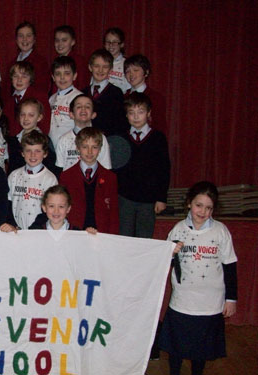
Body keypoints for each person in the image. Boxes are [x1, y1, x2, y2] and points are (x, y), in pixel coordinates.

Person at [159, 181, 237, 375]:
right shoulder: (177, 230)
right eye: (198, 205)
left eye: (209, 208)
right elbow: (162, 264)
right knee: (176, 347)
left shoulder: (221, 231)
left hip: (209, 304)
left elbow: (230, 267)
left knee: (200, 351)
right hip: (182, 302)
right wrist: (170, 252)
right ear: (188, 203)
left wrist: (231, 299)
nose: (203, 212)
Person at [115, 92, 170, 238]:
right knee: (124, 236)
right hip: (125, 198)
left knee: (144, 238)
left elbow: (164, 169)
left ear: (149, 113)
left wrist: (161, 198)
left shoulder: (158, 138)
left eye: (140, 112)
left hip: (148, 199)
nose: (136, 116)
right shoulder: (121, 138)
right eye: (131, 113)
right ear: (126, 115)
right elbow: (115, 169)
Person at [59, 127, 119, 232]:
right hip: (74, 232)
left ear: (100, 149)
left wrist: (113, 236)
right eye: (85, 147)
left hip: (101, 232)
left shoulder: (110, 177)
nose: (90, 152)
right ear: (78, 148)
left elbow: (114, 212)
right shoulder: (66, 176)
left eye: (94, 147)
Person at [2, 131, 58, 230]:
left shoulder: (50, 179)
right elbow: (8, 204)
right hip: (16, 230)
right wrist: (12, 225)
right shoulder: (14, 176)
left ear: (45, 154)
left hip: (39, 231)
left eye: (37, 151)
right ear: (22, 153)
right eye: (28, 151)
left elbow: (50, 210)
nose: (33, 155)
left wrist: (35, 229)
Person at [55, 94, 111, 174]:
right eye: (79, 107)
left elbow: (106, 168)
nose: (83, 109)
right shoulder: (64, 140)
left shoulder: (101, 138)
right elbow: (60, 169)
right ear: (71, 114)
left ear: (93, 115)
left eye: (87, 107)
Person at [83, 49, 128, 136]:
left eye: (105, 67)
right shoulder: (83, 93)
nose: (100, 70)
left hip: (108, 140)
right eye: (96, 66)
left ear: (111, 70)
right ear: (90, 67)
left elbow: (121, 123)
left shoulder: (116, 93)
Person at [7, 98, 54, 174]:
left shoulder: (45, 140)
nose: (26, 118)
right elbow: (12, 166)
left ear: (39, 117)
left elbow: (51, 165)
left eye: (31, 115)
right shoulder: (14, 140)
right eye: (22, 114)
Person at [3, 61, 50, 136]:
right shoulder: (9, 99)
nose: (19, 80)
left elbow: (45, 125)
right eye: (15, 76)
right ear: (11, 78)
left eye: (24, 76)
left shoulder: (39, 96)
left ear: (30, 79)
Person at [124, 54, 167, 135]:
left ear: (146, 72)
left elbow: (160, 127)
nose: (131, 74)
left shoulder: (156, 97)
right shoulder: (123, 96)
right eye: (127, 71)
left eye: (136, 70)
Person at [48, 55, 83, 148]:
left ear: (74, 75)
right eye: (58, 74)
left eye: (67, 73)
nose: (62, 77)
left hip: (72, 146)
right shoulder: (51, 98)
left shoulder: (79, 98)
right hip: (52, 146)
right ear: (53, 77)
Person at [5, 21, 49, 92]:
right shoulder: (12, 63)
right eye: (21, 36)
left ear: (34, 39)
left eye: (28, 36)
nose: (24, 39)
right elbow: (6, 89)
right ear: (16, 39)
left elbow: (42, 89)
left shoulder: (41, 62)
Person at [51, 25, 88, 94]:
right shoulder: (56, 60)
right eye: (57, 40)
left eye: (64, 40)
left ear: (73, 42)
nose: (60, 44)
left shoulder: (79, 61)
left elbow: (82, 86)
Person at [103, 27, 130, 93]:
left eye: (115, 42)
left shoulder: (127, 64)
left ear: (122, 44)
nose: (111, 45)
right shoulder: (99, 62)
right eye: (108, 42)